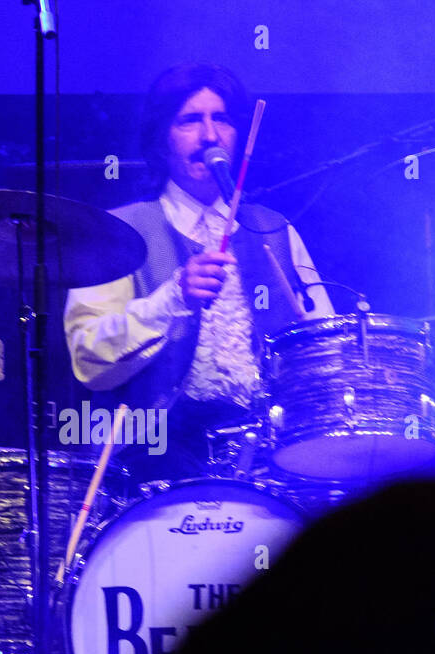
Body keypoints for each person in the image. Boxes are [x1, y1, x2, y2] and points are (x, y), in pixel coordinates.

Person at [63, 63, 334, 481]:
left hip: (270, 469)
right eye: (190, 120)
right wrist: (173, 299)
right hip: (151, 467)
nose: (209, 136)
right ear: (161, 141)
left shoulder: (274, 231)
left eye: (221, 120)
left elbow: (324, 349)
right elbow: (89, 359)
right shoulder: (118, 232)